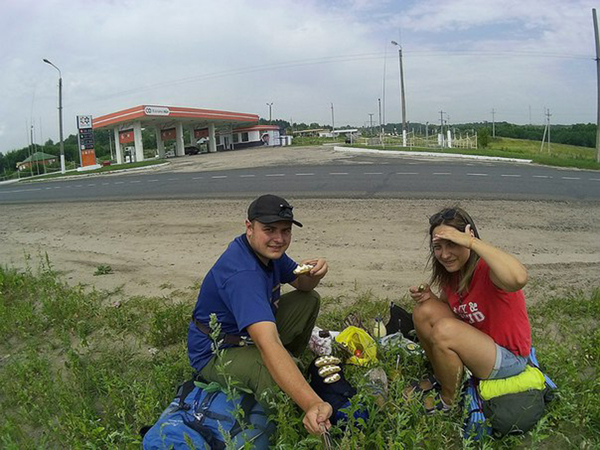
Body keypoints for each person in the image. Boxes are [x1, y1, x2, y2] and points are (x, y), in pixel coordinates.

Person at [187, 194, 332, 435]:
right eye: (270, 230)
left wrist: (316, 273)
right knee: (269, 368)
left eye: (285, 231)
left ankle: (288, 369)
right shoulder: (243, 274)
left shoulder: (268, 253)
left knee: (308, 300)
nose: (278, 239)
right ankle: (293, 425)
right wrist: (312, 403)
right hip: (217, 351)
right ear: (249, 228)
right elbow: (269, 344)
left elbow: (303, 286)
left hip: (246, 335)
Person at [407, 206, 531, 413]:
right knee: (423, 311)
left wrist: (473, 243)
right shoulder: (452, 274)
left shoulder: (487, 269)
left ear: (468, 237)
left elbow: (518, 279)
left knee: (445, 330)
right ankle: (442, 376)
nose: (444, 254)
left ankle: (449, 401)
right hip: (479, 344)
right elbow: (455, 314)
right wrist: (431, 299)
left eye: (452, 244)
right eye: (438, 247)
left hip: (509, 357)